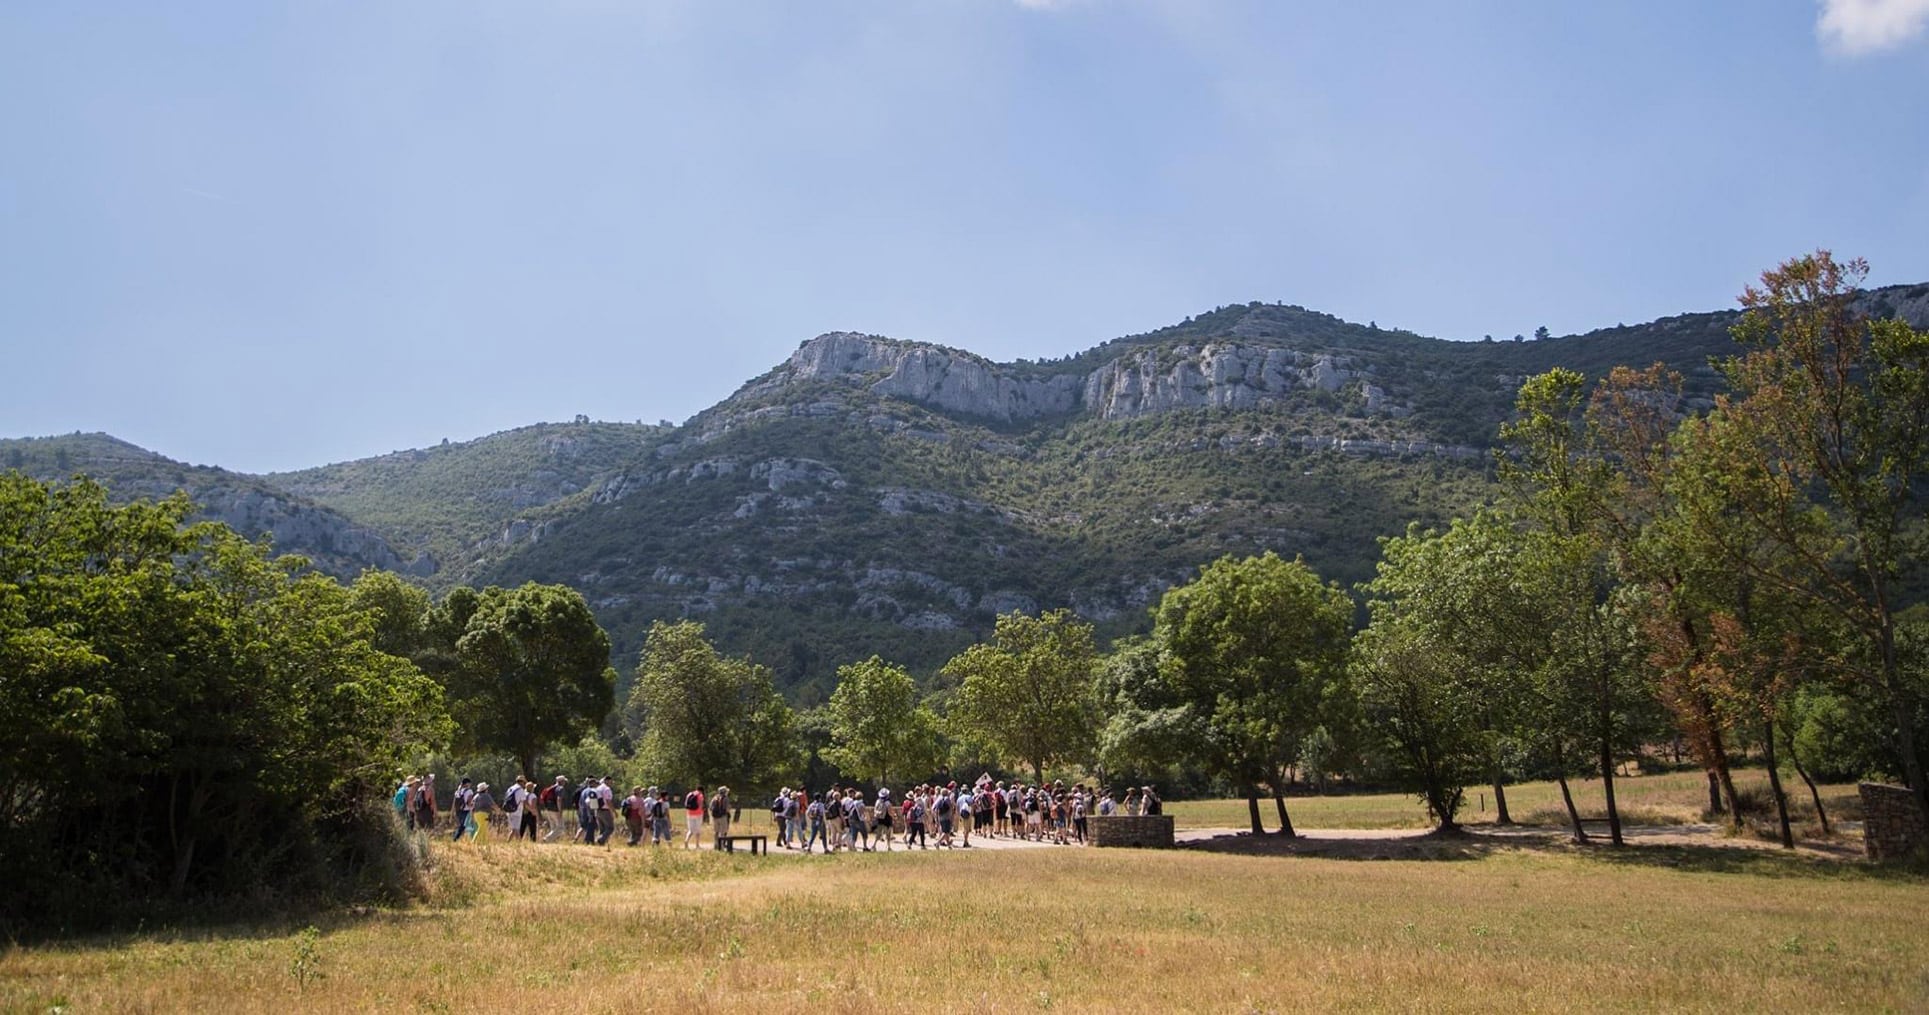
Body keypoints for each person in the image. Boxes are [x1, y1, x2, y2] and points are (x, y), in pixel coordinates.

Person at [539, 776, 567, 841]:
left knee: (554, 827)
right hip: (555, 810)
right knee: (561, 828)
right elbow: (559, 799)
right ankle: (546, 839)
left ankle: (550, 841)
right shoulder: (560, 788)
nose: (565, 782)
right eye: (564, 781)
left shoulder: (551, 788)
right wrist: (560, 810)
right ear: (561, 781)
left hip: (548, 809)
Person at [450, 778, 476, 843]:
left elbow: (454, 802)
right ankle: (455, 838)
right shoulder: (469, 791)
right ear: (467, 783)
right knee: (465, 826)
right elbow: (469, 802)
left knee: (462, 825)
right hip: (466, 810)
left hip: (458, 810)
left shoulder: (457, 792)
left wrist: (452, 813)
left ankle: (457, 838)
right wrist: (473, 807)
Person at [683, 784, 706, 849]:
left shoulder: (689, 794)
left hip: (689, 813)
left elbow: (685, 804)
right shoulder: (700, 795)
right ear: (701, 790)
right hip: (698, 814)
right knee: (698, 830)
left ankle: (686, 841)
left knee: (690, 830)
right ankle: (697, 845)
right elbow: (701, 805)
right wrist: (702, 810)